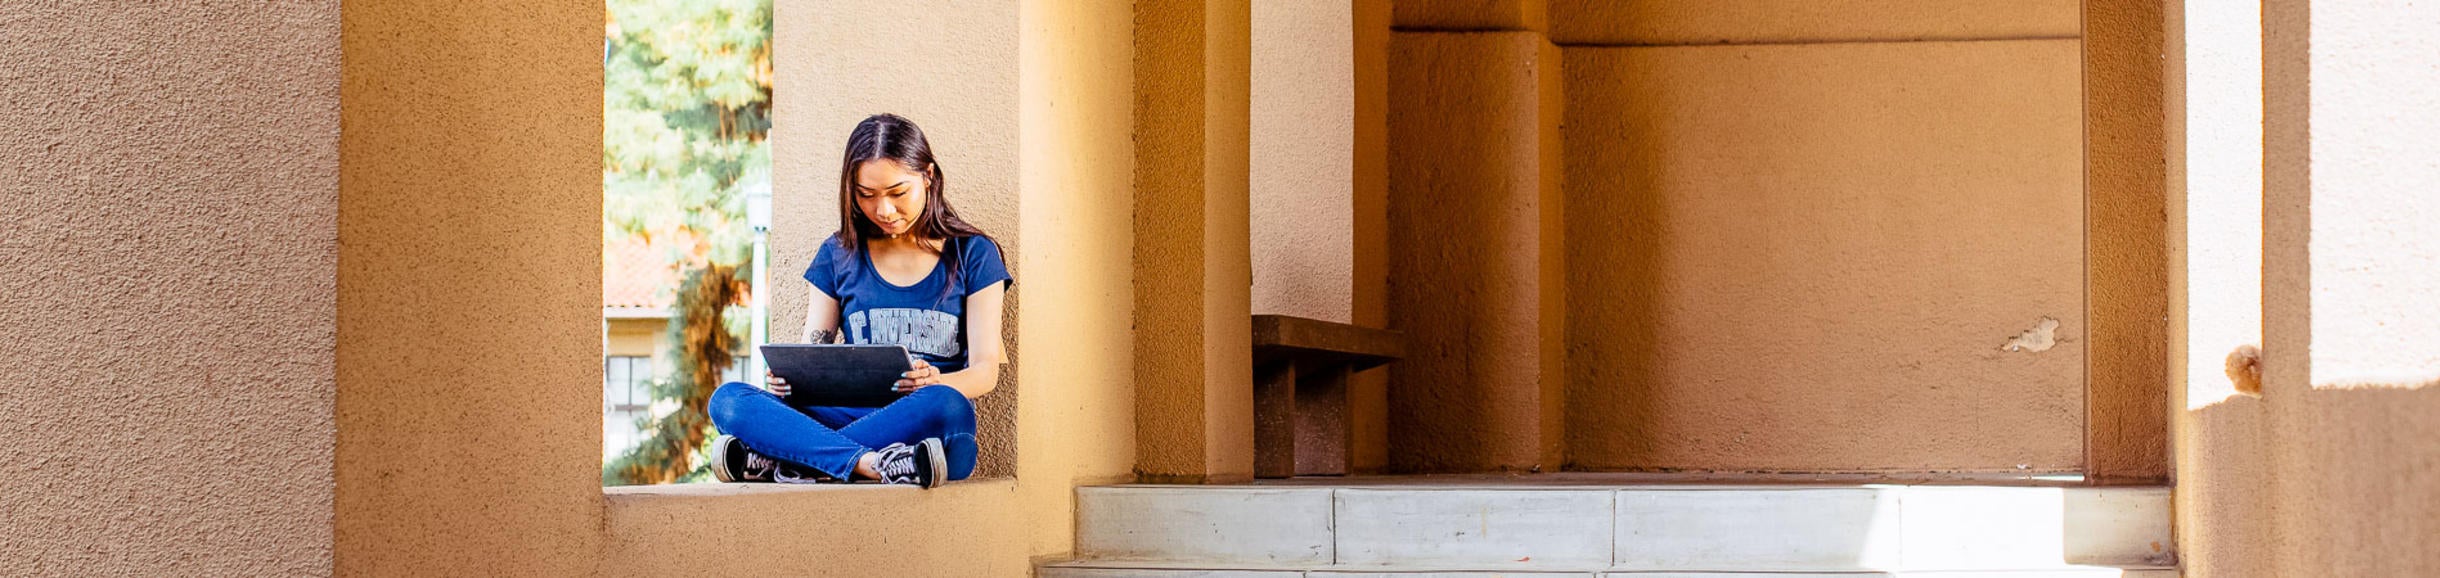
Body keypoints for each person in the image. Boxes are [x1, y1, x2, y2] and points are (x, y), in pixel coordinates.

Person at [705, 113, 1009, 488]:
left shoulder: (974, 254)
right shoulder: (838, 254)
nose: (883, 210)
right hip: (842, 417)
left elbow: (985, 372)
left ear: (928, 176)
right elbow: (812, 350)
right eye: (866, 195)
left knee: (948, 405)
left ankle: (790, 459)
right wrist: (790, 380)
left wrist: (937, 381)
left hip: (922, 421)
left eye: (898, 193)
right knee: (729, 400)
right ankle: (873, 464)